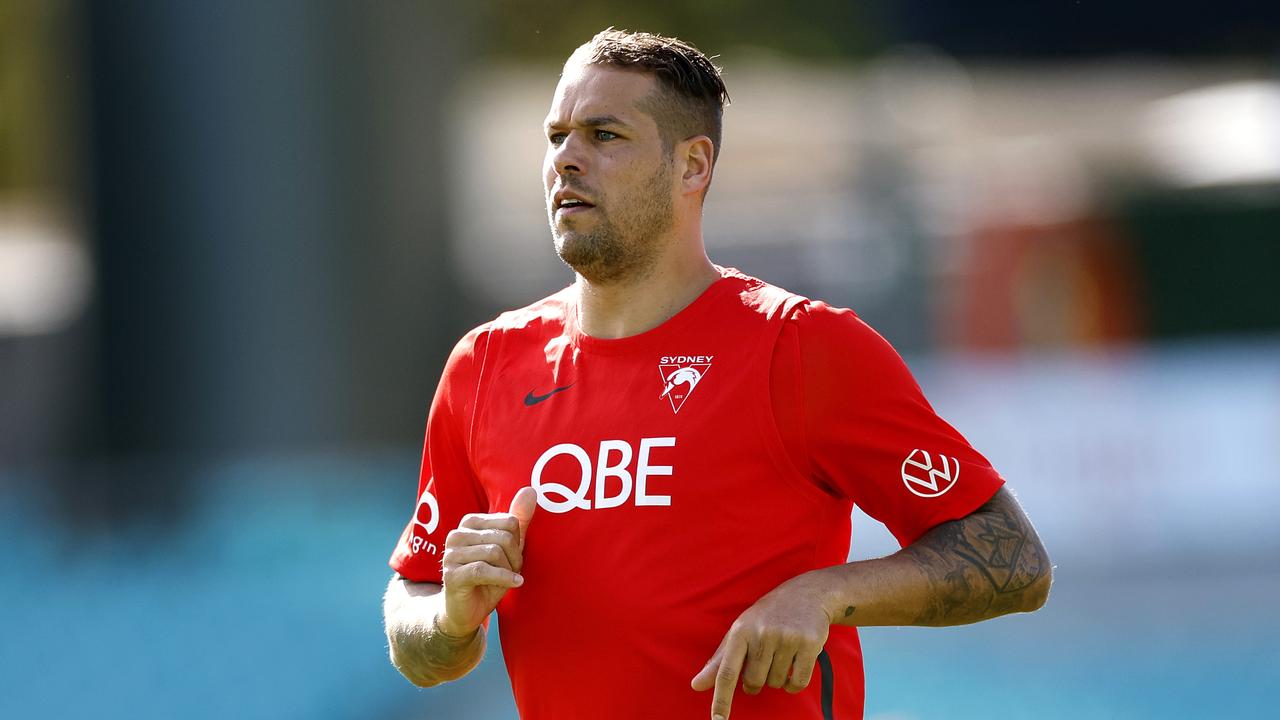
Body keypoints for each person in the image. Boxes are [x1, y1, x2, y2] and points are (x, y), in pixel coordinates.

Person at [382, 29, 1052, 720]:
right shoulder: (486, 367)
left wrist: (820, 594)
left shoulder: (800, 348)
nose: (567, 161)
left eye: (604, 135)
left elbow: (1012, 559)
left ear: (692, 166)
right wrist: (450, 618)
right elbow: (419, 634)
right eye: (556, 136)